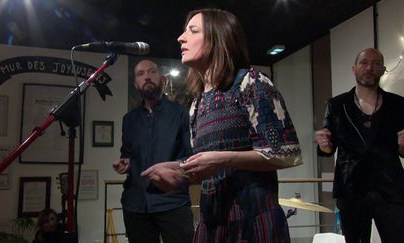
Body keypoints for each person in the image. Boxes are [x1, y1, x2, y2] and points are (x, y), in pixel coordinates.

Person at [142, 9, 302, 243]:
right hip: (213, 225)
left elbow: (287, 152)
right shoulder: (197, 104)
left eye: (193, 30)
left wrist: (222, 159)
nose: (181, 38)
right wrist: (180, 171)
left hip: (253, 223)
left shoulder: (251, 83)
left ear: (219, 37)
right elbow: (209, 163)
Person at [316, 48, 404, 243]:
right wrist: (323, 145)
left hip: (391, 190)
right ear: (354, 69)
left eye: (376, 63)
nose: (369, 68)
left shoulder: (398, 104)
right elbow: (327, 150)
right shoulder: (336, 105)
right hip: (351, 190)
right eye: (364, 63)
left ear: (383, 70)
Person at [112, 59, 194, 243]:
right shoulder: (129, 120)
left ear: (162, 79)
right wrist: (125, 162)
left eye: (152, 72)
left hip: (173, 203)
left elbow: (191, 157)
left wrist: (173, 171)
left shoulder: (181, 114)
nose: (147, 77)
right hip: (135, 205)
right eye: (141, 74)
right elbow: (127, 153)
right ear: (136, 84)